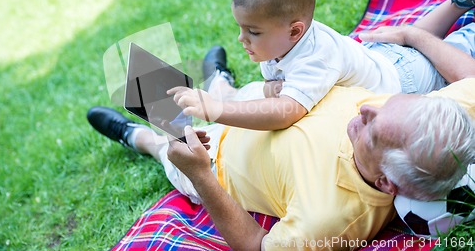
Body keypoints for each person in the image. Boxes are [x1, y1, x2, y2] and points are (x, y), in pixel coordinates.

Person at [88, 25, 475, 251]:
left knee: (162, 138)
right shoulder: (435, 123)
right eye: (387, 104)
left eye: (372, 129)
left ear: (386, 182)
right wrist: (413, 35)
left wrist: (202, 175)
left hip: (210, 151)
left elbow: (256, 246)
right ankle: (220, 83)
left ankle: (134, 137)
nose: (366, 110)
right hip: (264, 101)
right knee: (218, 97)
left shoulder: (331, 221)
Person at [168, 0, 475, 133]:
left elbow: (286, 113)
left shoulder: (315, 56)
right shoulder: (285, 41)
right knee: (417, 44)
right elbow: (281, 96)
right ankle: (458, 3)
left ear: (294, 31)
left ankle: (457, 5)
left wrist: (217, 110)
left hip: (405, 81)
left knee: (435, 57)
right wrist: (271, 89)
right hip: (381, 57)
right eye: (241, 28)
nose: (241, 39)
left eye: (252, 31)